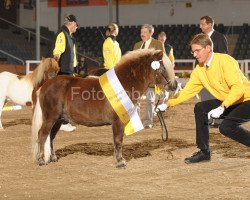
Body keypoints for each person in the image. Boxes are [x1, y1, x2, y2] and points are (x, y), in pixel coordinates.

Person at [157, 33, 250, 164]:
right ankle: (204, 152)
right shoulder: (199, 70)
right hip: (227, 100)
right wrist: (167, 104)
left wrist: (223, 107)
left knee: (226, 127)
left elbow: (238, 89)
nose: (195, 54)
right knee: (200, 108)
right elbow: (187, 91)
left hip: (246, 99)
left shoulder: (225, 60)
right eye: (193, 51)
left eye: (197, 50)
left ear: (208, 48)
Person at [133, 24, 165, 129]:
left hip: (152, 78)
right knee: (135, 100)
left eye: (145, 32)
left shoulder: (158, 44)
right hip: (139, 79)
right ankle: (137, 122)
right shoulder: (137, 45)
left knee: (150, 100)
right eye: (141, 32)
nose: (142, 34)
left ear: (151, 33)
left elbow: (161, 60)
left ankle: (148, 121)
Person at [50, 14, 78, 132]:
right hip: (63, 72)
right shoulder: (63, 34)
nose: (76, 27)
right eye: (76, 25)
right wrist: (55, 71)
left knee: (68, 98)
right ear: (71, 24)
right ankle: (62, 122)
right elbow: (57, 53)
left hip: (68, 71)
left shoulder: (69, 36)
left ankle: (64, 121)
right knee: (63, 99)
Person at [199, 16, 228, 102]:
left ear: (210, 24)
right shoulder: (200, 38)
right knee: (204, 100)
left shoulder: (220, 37)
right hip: (203, 73)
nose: (200, 26)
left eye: (202, 24)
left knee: (216, 100)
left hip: (216, 74)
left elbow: (223, 56)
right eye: (200, 24)